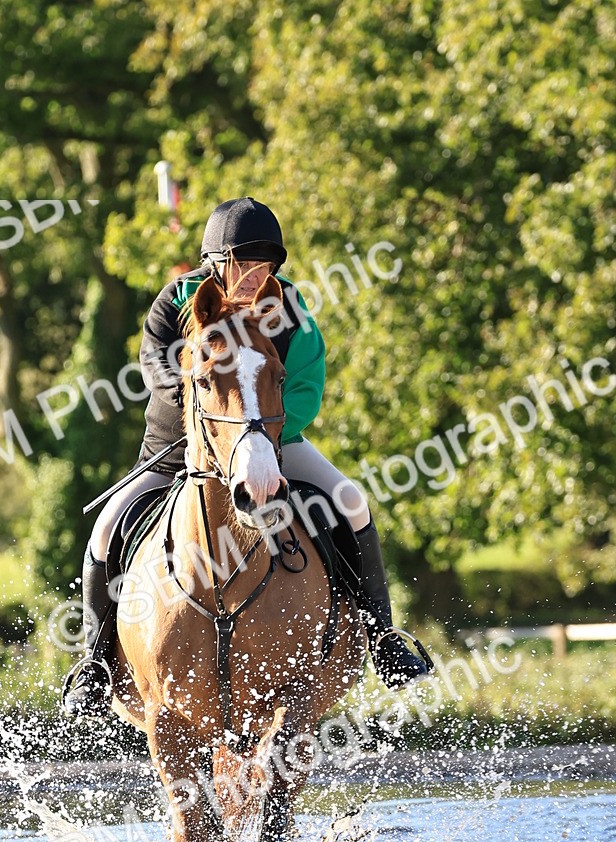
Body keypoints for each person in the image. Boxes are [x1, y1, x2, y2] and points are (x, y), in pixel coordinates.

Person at [62, 197, 431, 716]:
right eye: (243, 263)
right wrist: (204, 423)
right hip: (176, 449)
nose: (255, 275)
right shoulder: (175, 302)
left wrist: (262, 440)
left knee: (351, 501)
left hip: (270, 447)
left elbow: (305, 385)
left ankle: (381, 639)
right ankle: (94, 663)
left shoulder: (289, 309)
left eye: (265, 265)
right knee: (105, 529)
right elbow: (158, 369)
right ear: (216, 261)